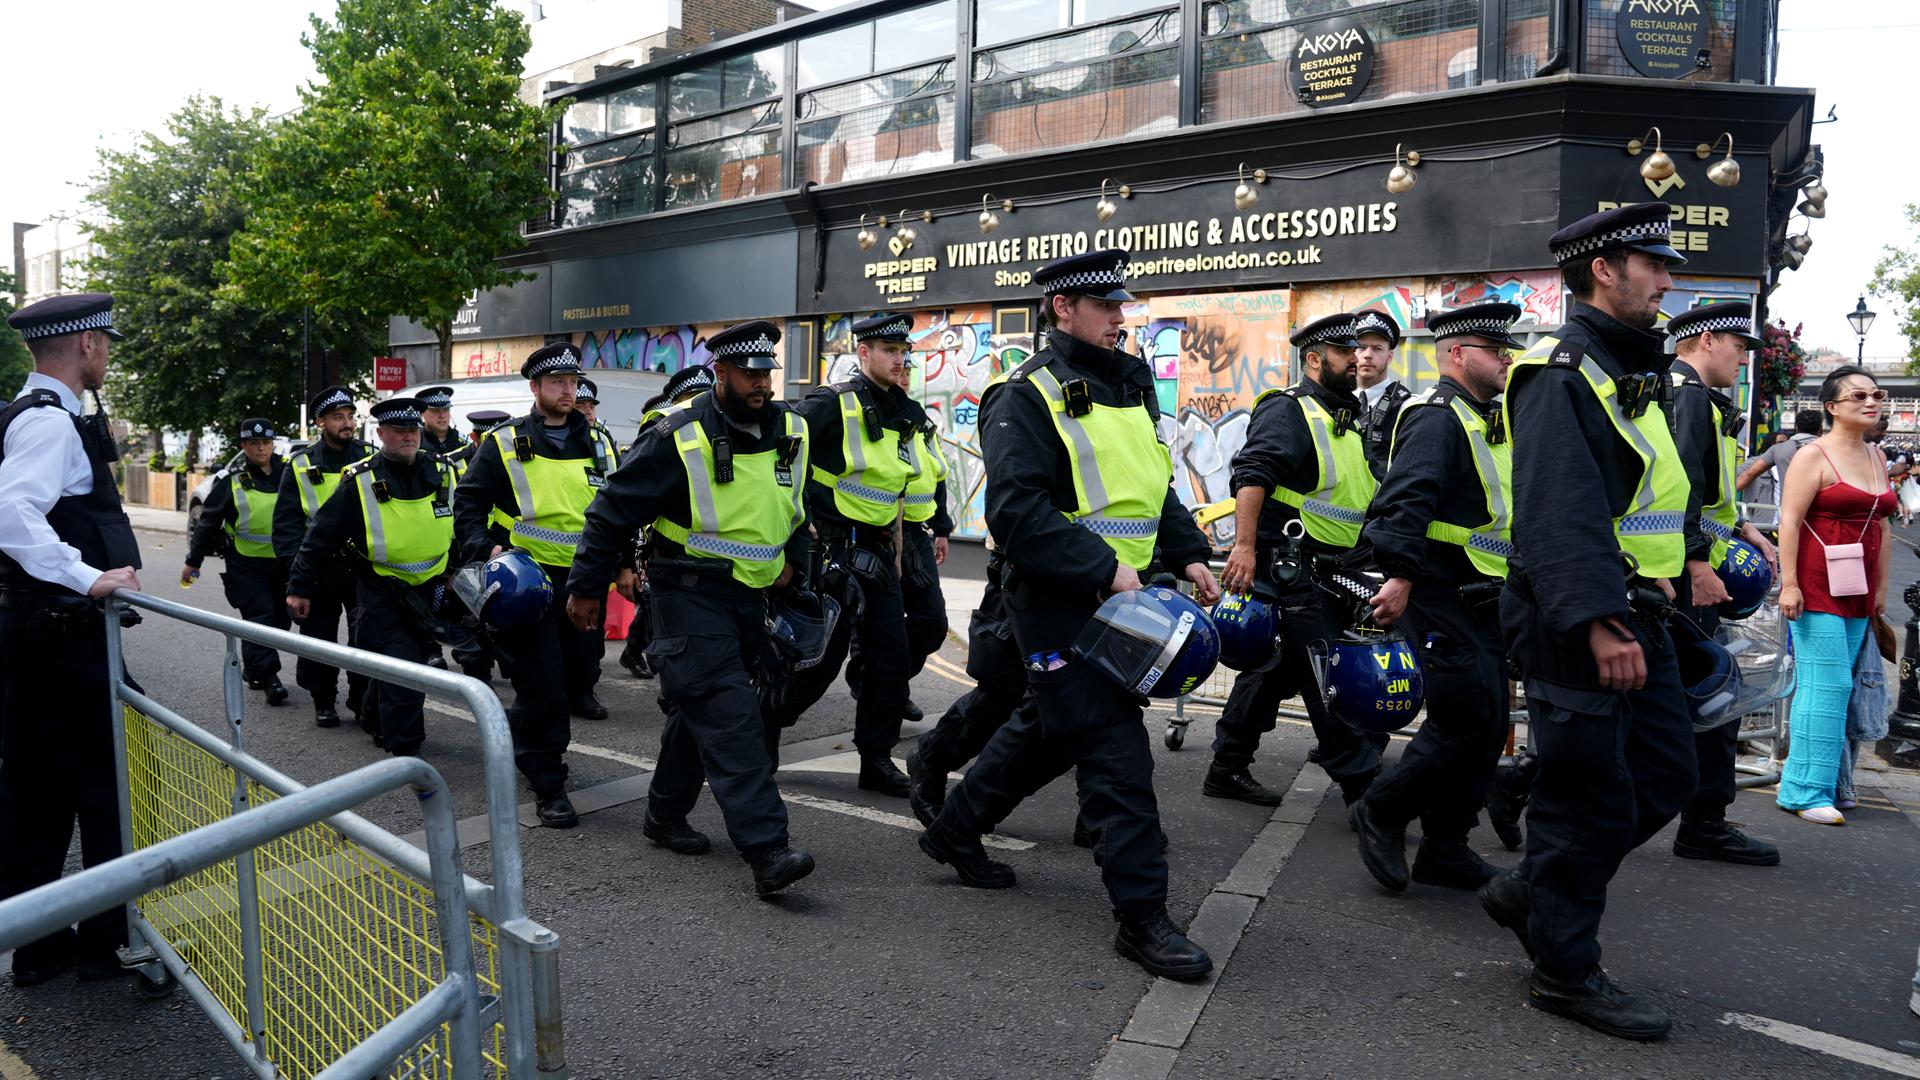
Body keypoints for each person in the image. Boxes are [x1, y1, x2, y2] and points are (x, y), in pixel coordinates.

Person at [918, 250, 1222, 980]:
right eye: (1106, 306)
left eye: (1122, 306)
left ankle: (957, 828)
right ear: (1063, 308)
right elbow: (1015, 512)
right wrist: (1103, 568)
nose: (1122, 317)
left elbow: (1154, 491)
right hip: (1057, 603)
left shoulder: (1131, 386)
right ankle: (1141, 918)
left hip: (1123, 599)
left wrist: (1187, 554)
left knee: (1055, 731)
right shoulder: (1025, 394)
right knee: (1116, 753)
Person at [1479, 202, 1696, 1041]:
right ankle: (1564, 971)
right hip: (1583, 621)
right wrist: (1601, 621)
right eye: (1656, 265)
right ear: (1605, 270)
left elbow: (1644, 496)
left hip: (1640, 611)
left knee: (1667, 773)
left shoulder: (1627, 366)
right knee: (1586, 799)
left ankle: (1534, 886)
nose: (1669, 281)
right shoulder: (1561, 372)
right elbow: (1557, 513)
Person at [565, 321, 816, 895]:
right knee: (731, 717)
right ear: (720, 374)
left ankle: (663, 814)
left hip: (752, 598)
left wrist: (796, 565)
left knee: (699, 709)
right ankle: (767, 848)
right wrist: (586, 588)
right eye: (749, 375)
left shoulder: (793, 430)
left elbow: (799, 507)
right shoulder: (678, 436)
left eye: (766, 374)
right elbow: (611, 512)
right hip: (686, 596)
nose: (760, 384)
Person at [1349, 302, 1524, 894]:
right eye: (1494, 350)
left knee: (1488, 721)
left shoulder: (1489, 417)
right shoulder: (1437, 415)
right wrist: (1399, 575)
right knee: (1463, 718)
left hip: (1486, 590)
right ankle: (1382, 809)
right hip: (1438, 588)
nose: (1506, 359)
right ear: (1456, 354)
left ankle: (1447, 848)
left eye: (1507, 349)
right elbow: (1407, 498)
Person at [0, 293, 144, 986]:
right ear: (85, 344)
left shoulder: (33, 415)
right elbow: (11, 511)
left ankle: (38, 943)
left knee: (38, 792)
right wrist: (87, 577)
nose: (108, 354)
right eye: (105, 343)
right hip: (62, 637)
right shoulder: (51, 425)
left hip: (36, 637)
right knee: (115, 784)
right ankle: (108, 943)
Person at [1213, 313, 1382, 807]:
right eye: (1344, 351)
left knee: (1276, 670)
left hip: (1334, 565)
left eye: (1360, 350)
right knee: (1324, 671)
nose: (1357, 359)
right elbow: (1251, 476)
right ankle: (1365, 791)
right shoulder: (1290, 409)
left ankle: (1226, 766)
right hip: (1292, 563)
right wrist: (1243, 548)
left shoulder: (1344, 418)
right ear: (1314, 359)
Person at [454, 343, 622, 827]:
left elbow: (615, 510)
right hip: (525, 583)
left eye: (572, 383)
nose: (568, 391)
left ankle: (520, 733)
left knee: (576, 678)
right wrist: (487, 550)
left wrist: (624, 565)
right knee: (543, 684)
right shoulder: (504, 442)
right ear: (535, 388)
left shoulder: (600, 442)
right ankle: (549, 784)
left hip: (583, 582)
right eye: (557, 383)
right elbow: (468, 504)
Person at [782, 312, 929, 797]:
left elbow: (900, 490)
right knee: (819, 660)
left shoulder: (904, 411)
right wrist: (799, 532)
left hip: (879, 551)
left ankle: (876, 758)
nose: (899, 359)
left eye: (902, 351)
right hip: (831, 549)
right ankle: (762, 729)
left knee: (890, 658)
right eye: (889, 351)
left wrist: (903, 550)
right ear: (863, 354)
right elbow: (784, 462)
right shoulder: (830, 404)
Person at [1663, 302, 1781, 865]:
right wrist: (1696, 565)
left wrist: (1744, 528)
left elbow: (1706, 493)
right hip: (1683, 576)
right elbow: (1677, 488)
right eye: (1738, 346)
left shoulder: (1701, 401)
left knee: (1685, 695)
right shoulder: (1685, 395)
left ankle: (1529, 785)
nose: (1743, 358)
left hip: (1685, 568)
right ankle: (1704, 823)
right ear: (1706, 340)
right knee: (1712, 692)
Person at [287, 398, 454, 759]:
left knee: (401, 669)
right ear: (381, 434)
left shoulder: (444, 471)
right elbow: (320, 536)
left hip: (431, 591)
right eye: (399, 432)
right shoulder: (360, 481)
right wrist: (299, 587)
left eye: (413, 430)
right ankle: (406, 753)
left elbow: (460, 524)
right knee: (404, 670)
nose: (408, 438)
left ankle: (375, 714)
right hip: (382, 593)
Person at [1775, 365, 1898, 826]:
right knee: (1828, 685)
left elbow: (1882, 525)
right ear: (1831, 407)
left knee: (1839, 685)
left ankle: (1821, 784)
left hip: (1860, 589)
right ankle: (1806, 790)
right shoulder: (1813, 455)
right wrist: (1789, 584)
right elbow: (1788, 521)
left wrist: (1881, 587)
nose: (1872, 402)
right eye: (1859, 395)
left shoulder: (1877, 456)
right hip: (1815, 585)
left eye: (1877, 394)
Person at [273, 386, 374, 729]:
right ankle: (324, 699)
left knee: (365, 637)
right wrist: (296, 579)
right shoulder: (300, 466)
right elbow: (286, 529)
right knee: (319, 638)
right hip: (319, 569)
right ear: (320, 423)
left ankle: (361, 698)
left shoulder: (370, 457)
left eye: (350, 417)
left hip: (362, 565)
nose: (347, 424)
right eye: (338, 418)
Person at [182, 418, 292, 705]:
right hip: (246, 564)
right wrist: (193, 561)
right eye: (254, 443)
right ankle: (269, 676)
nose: (260, 449)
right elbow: (208, 523)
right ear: (244, 446)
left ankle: (255, 668)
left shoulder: (291, 475)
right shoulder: (231, 481)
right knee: (260, 617)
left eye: (265, 442)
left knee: (281, 620)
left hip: (285, 563)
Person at [619, 364, 717, 682]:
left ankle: (638, 652)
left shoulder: (715, 423)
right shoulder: (664, 425)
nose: (702, 400)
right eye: (694, 395)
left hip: (700, 547)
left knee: (651, 605)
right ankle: (641, 654)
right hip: (660, 538)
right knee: (653, 605)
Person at [1737, 408, 1821, 536]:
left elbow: (1749, 474)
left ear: (1796, 427)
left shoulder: (1779, 449)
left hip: (1790, 518)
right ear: (1820, 428)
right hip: (1823, 518)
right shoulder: (1832, 449)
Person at [1353, 308, 1409, 480]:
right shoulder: (1335, 401)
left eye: (1377, 348)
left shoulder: (1406, 407)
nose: (1368, 355)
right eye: (1361, 347)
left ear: (1390, 356)